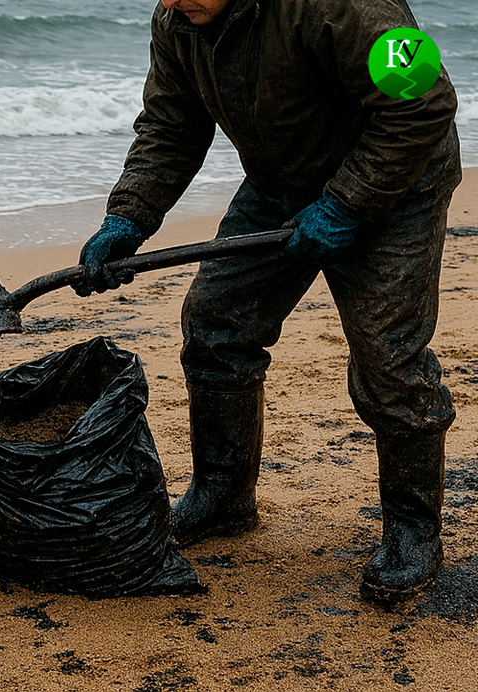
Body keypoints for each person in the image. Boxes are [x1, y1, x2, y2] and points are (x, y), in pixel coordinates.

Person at [73, 0, 459, 605]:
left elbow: (425, 101)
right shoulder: (178, 18)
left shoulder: (347, 5)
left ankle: (414, 530)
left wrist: (346, 203)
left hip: (396, 183)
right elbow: (172, 125)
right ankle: (224, 498)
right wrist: (129, 215)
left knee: (389, 359)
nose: (171, 1)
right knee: (215, 324)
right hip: (282, 185)